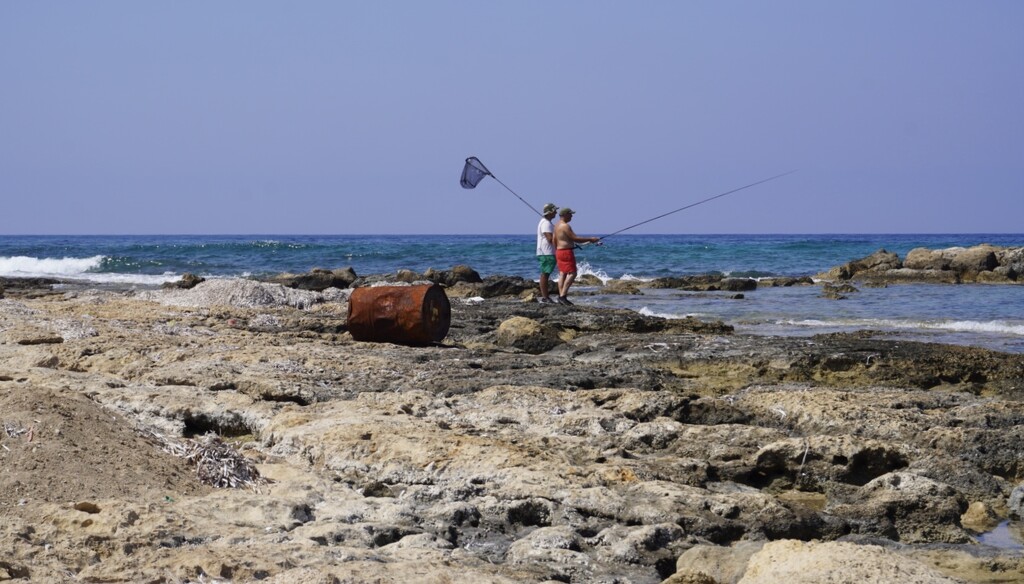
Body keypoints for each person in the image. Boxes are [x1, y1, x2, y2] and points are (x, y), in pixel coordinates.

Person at [554, 207, 600, 305]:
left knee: (563, 273)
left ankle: (560, 296)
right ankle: (563, 297)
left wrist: (557, 249)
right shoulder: (565, 226)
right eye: (570, 214)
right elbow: (575, 238)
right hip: (566, 252)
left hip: (559, 251)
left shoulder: (556, 226)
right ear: (565, 214)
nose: (572, 216)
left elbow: (554, 240)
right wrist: (591, 239)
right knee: (573, 273)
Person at [535, 203, 559, 303]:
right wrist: (562, 244)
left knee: (545, 274)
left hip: (546, 252)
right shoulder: (546, 223)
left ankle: (545, 296)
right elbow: (550, 238)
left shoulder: (546, 222)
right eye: (554, 211)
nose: (556, 212)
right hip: (546, 253)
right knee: (545, 274)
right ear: (550, 212)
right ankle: (545, 297)